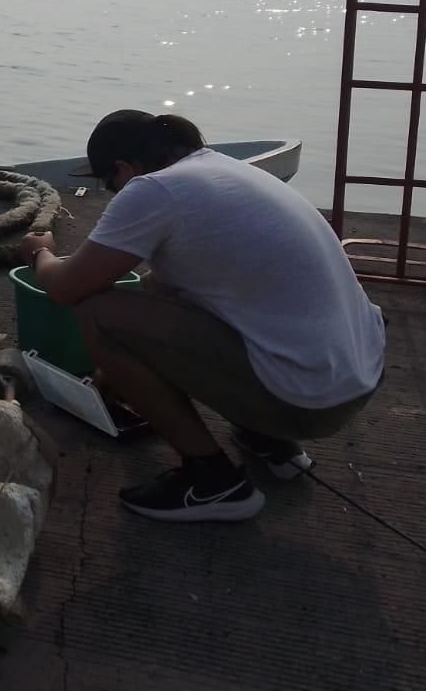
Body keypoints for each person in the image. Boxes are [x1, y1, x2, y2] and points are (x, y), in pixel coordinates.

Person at [19, 109, 385, 523]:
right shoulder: (224, 171)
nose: (113, 194)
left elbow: (68, 288)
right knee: (160, 287)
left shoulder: (153, 191)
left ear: (123, 168)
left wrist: (39, 253)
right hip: (355, 377)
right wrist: (116, 375)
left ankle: (214, 481)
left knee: (99, 314)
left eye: (109, 185)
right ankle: (269, 439)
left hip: (308, 399)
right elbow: (168, 291)